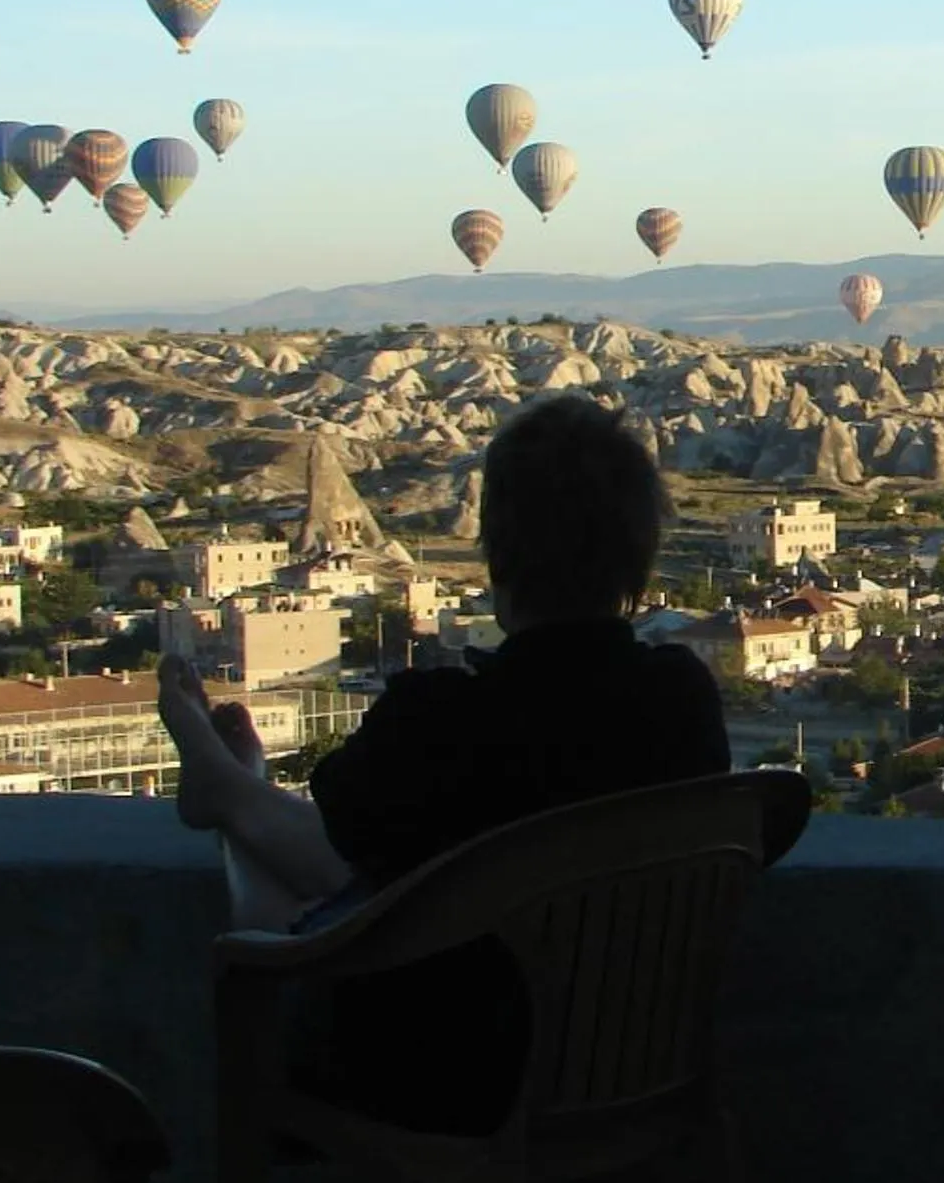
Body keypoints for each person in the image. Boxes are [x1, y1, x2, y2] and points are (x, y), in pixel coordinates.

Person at [158, 395, 733, 1122]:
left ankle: (234, 794)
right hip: (642, 1062)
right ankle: (236, 790)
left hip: (446, 1077)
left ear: (496, 552)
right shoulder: (681, 700)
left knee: (294, 892)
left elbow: (342, 827)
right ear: (641, 556)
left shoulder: (439, 717)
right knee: (395, 871)